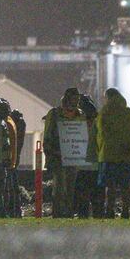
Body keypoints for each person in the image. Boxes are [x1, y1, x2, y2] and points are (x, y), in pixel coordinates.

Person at [42, 88, 92, 218]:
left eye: (77, 99)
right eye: (73, 98)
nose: (76, 101)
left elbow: (83, 134)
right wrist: (50, 153)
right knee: (59, 187)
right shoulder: (54, 114)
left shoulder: (80, 114)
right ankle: (58, 212)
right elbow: (47, 135)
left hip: (73, 155)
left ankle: (68, 211)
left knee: (70, 187)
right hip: (57, 155)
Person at [96, 87, 130, 219]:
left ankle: (110, 211)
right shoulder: (129, 113)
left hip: (108, 154)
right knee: (125, 186)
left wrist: (99, 149)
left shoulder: (104, 113)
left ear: (107, 97)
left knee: (110, 186)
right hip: (125, 154)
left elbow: (101, 134)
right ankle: (125, 211)